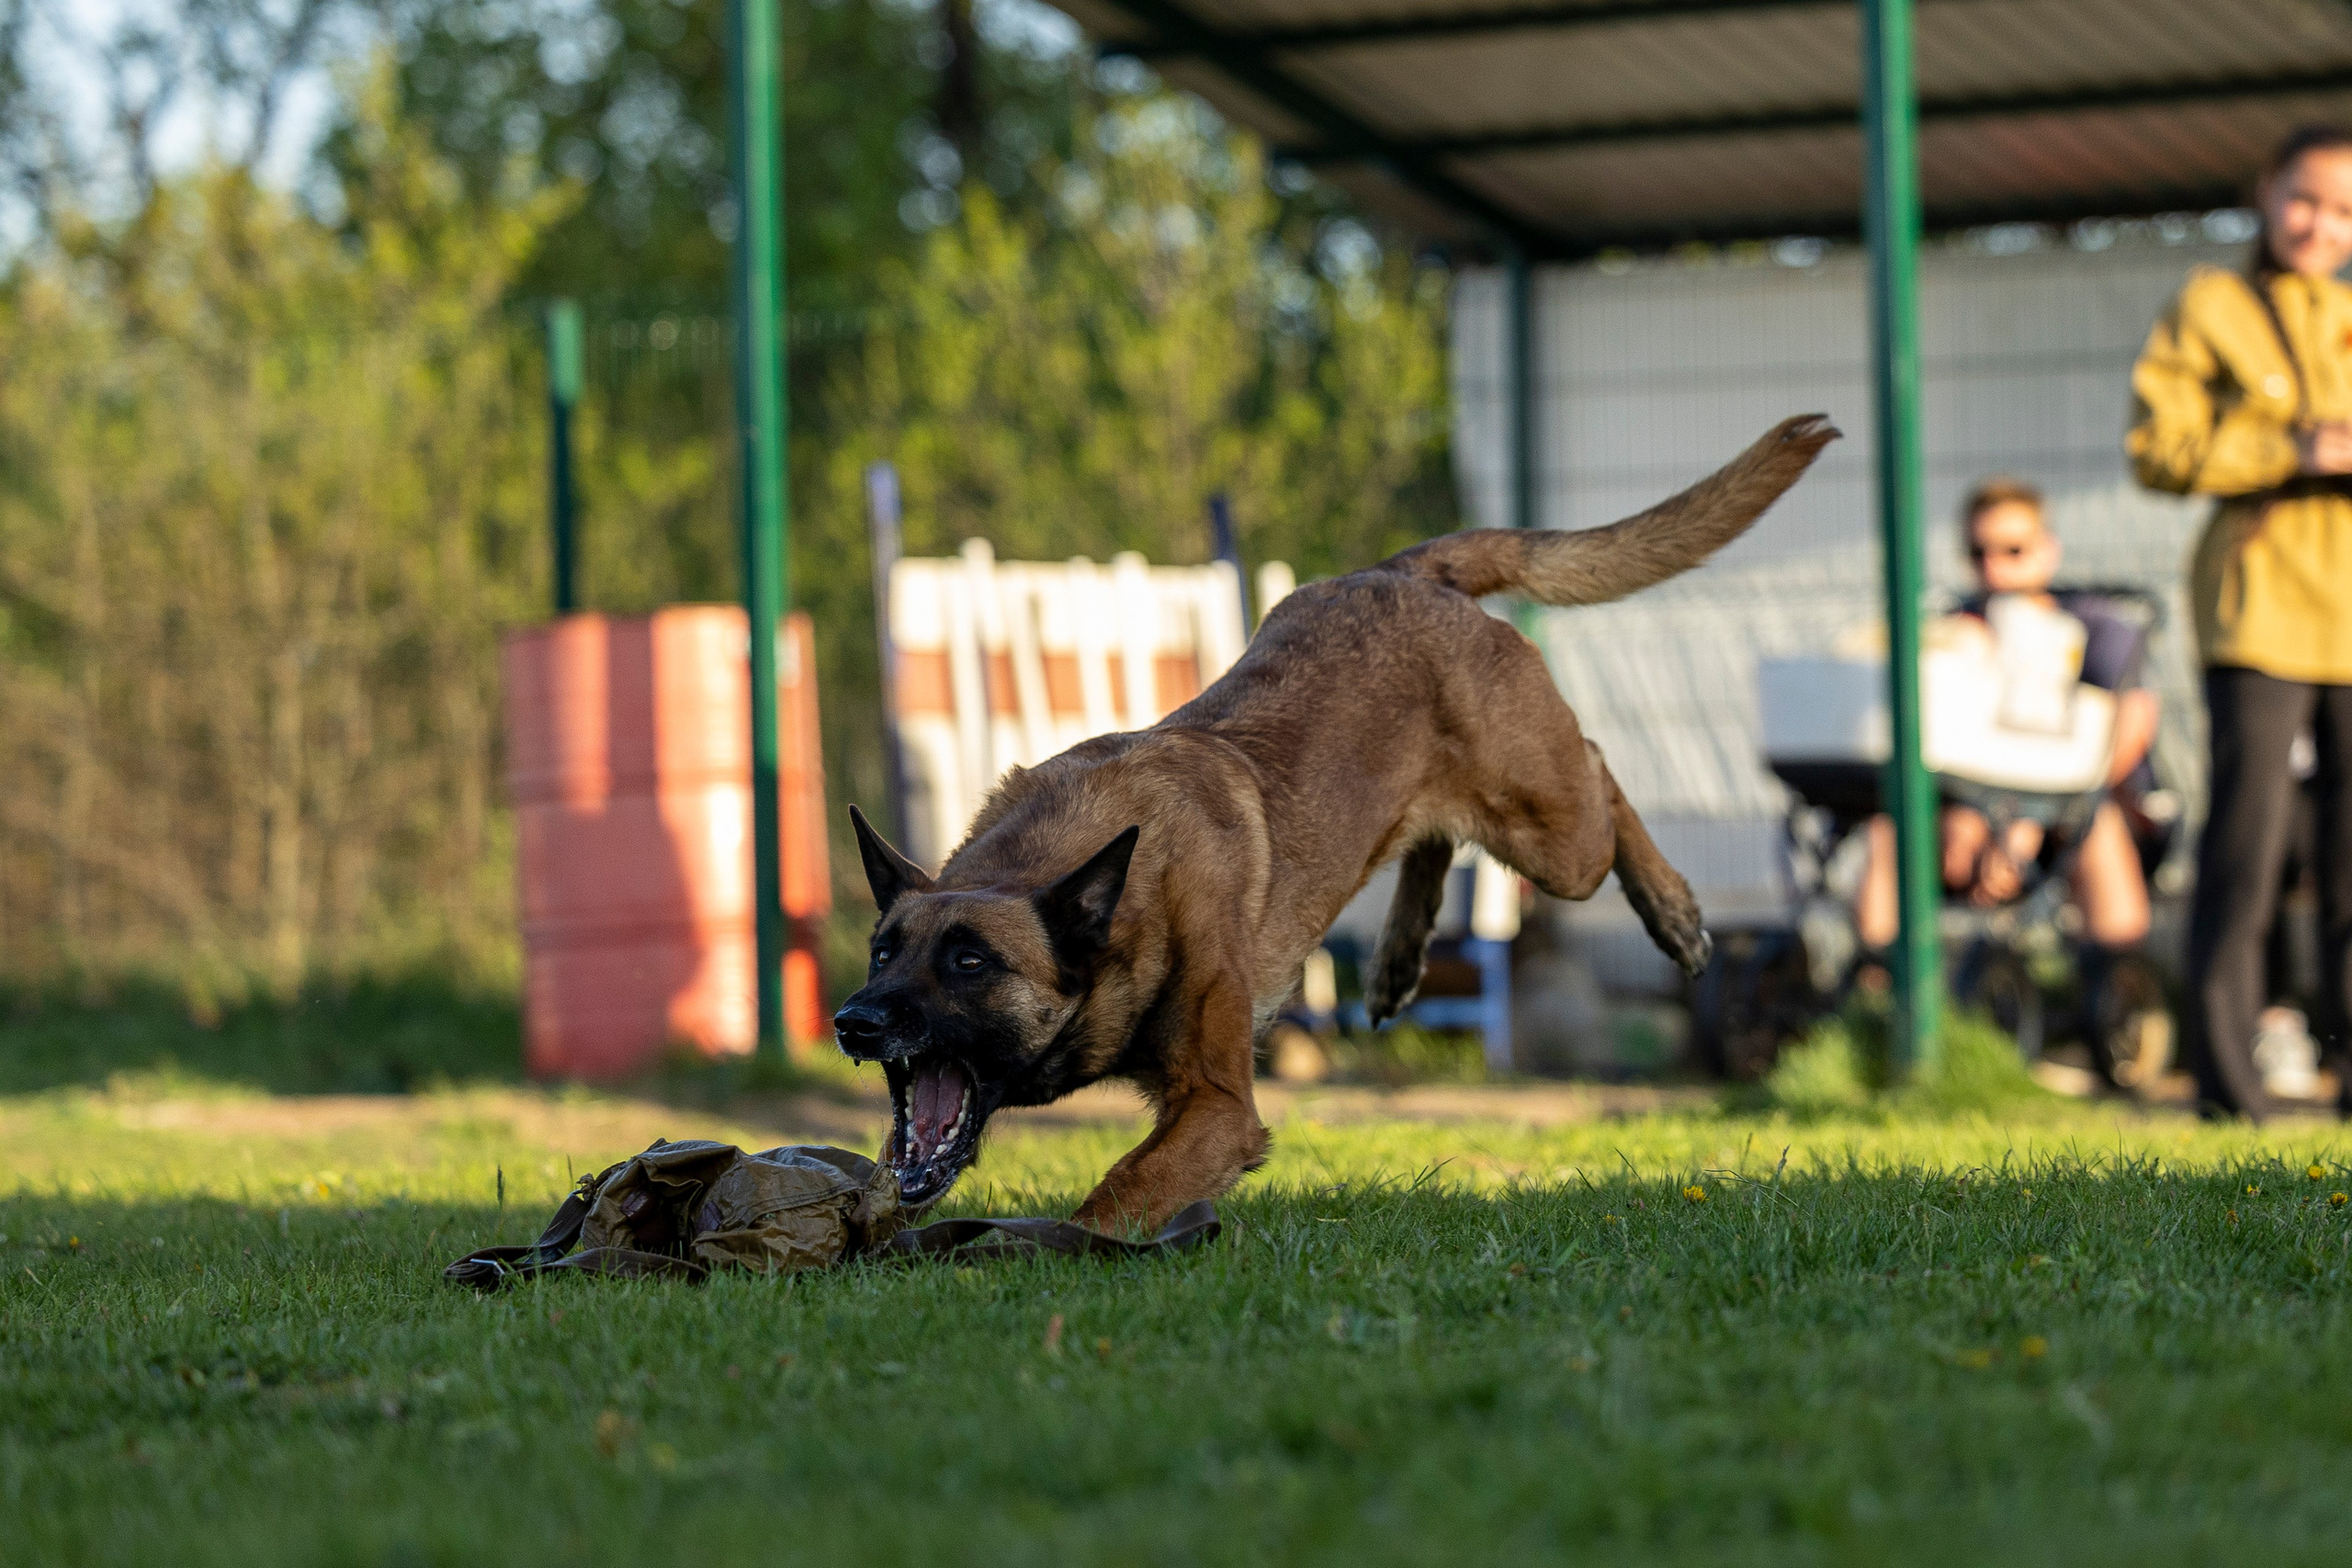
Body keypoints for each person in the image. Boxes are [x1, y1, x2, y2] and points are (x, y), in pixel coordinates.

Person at [2129, 124, 2352, 1120]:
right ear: (2266, 193)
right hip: (2257, 612)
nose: (2320, 225)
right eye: (2306, 199)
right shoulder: (2212, 307)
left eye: (2345, 212)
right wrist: (2292, 443)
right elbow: (2158, 450)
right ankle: (2226, 1088)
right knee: (2247, 849)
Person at [1857, 479, 2159, 953]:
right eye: (1979, 553)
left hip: (2066, 800)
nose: (1995, 568)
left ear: (2047, 551)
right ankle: (1882, 991)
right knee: (1890, 827)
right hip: (1973, 805)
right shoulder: (1955, 628)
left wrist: (2033, 812)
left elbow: (2131, 727)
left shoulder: (2093, 626)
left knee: (2096, 824)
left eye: (2013, 550)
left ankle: (2121, 982)